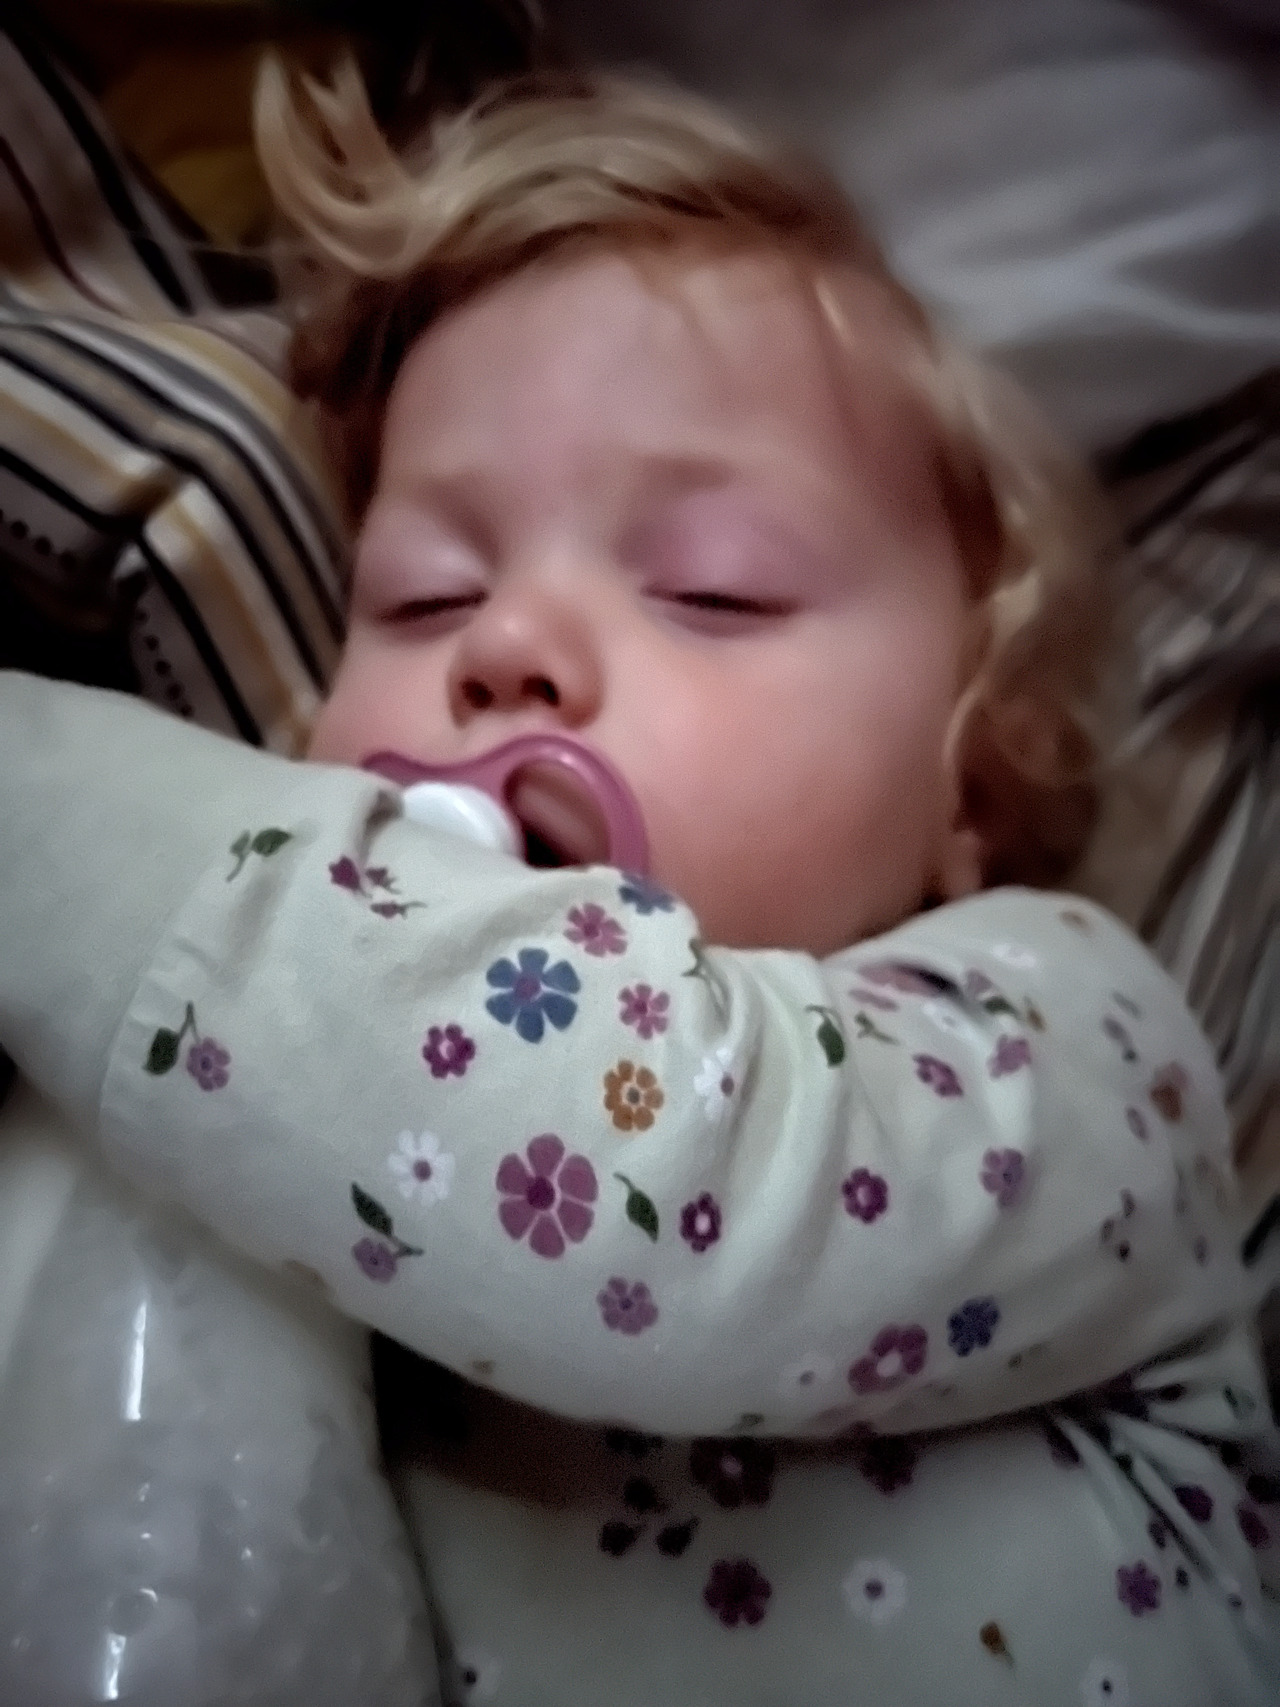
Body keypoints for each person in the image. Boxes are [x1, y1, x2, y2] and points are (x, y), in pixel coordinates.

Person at [1, 59, 1278, 1707]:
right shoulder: (255, 1156)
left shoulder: (1071, 1041)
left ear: (972, 779)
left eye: (711, 590)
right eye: (423, 593)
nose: (505, 642)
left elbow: (666, 1177)